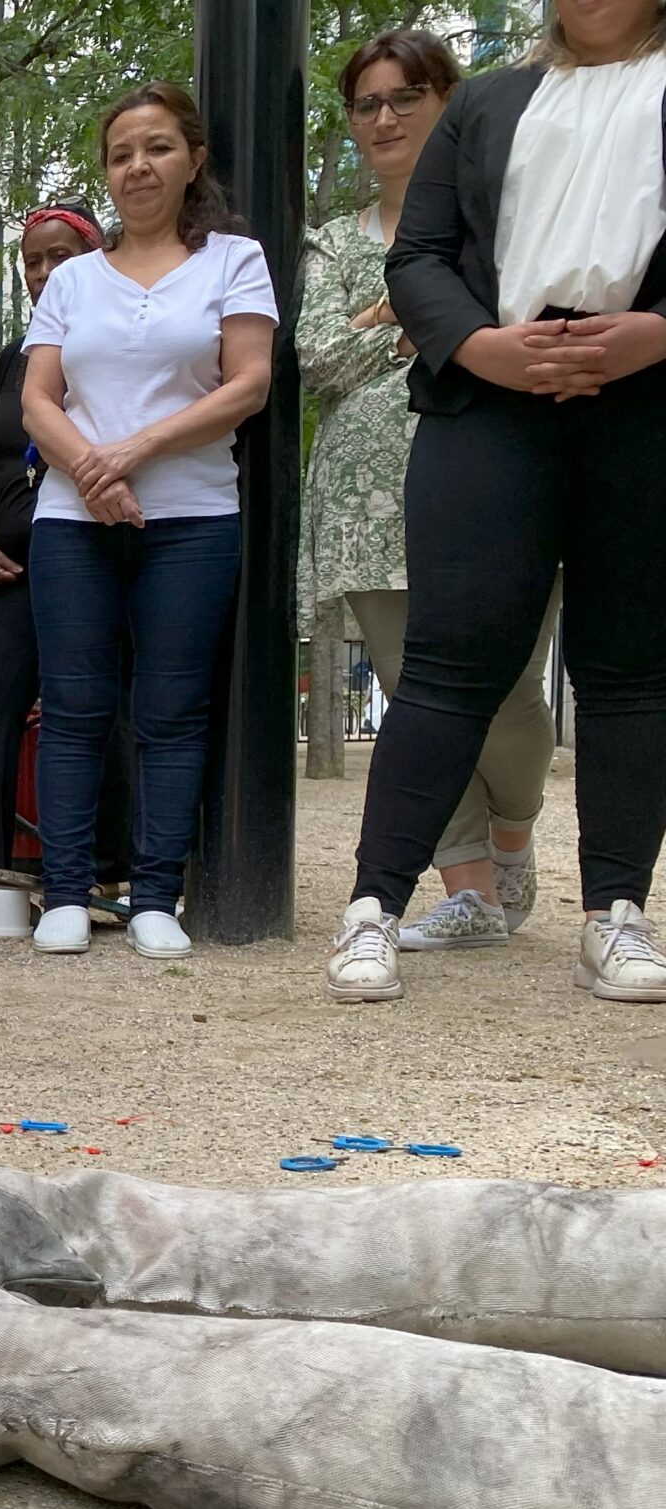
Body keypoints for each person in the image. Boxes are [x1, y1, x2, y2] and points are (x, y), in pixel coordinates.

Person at [329, 0, 666, 1005]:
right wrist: (481, 348)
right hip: (489, 403)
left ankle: (617, 916)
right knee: (444, 663)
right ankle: (371, 911)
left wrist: (654, 333)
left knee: (631, 670)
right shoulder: (485, 103)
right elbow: (418, 257)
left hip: (644, 403)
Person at [303, 30, 556, 957]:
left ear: (454, 107)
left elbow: (529, 322)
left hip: (501, 471)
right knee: (417, 697)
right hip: (367, 503)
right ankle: (473, 894)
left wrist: (406, 314)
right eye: (366, 103)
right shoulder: (332, 242)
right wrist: (425, 319)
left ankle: (516, 830)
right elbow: (320, 355)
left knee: (510, 689)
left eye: (407, 95)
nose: (385, 117)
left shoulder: (514, 222)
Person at [19, 81, 278, 959]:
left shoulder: (233, 261)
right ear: (107, 170)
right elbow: (38, 398)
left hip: (193, 517)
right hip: (70, 522)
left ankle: (156, 894)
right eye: (123, 153)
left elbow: (248, 384)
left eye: (159, 148)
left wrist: (124, 456)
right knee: (76, 704)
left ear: (193, 160)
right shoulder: (73, 279)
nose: (139, 166)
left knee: (171, 708)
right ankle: (64, 891)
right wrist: (92, 475)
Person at [0, 203, 129, 876]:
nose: (45, 272)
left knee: (93, 705)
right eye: (33, 260)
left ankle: (110, 867)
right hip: (11, 567)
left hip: (90, 552)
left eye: (61, 256)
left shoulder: (116, 347)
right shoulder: (12, 360)